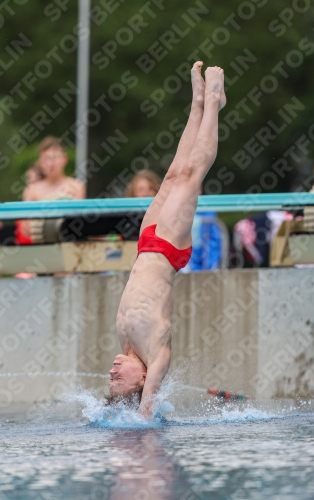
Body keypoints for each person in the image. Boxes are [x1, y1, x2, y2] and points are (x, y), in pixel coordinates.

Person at [109, 62, 226, 417]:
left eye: (111, 379)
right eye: (119, 380)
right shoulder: (156, 354)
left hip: (147, 244)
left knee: (174, 172)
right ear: (143, 378)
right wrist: (144, 410)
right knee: (192, 174)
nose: (112, 373)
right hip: (169, 250)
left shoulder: (127, 345)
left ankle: (197, 104)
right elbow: (146, 414)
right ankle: (215, 103)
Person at [23, 136, 86, 202]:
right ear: (40, 163)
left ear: (64, 159)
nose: (50, 163)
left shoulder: (77, 187)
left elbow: (79, 212)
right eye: (46, 158)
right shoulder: (32, 191)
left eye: (55, 157)